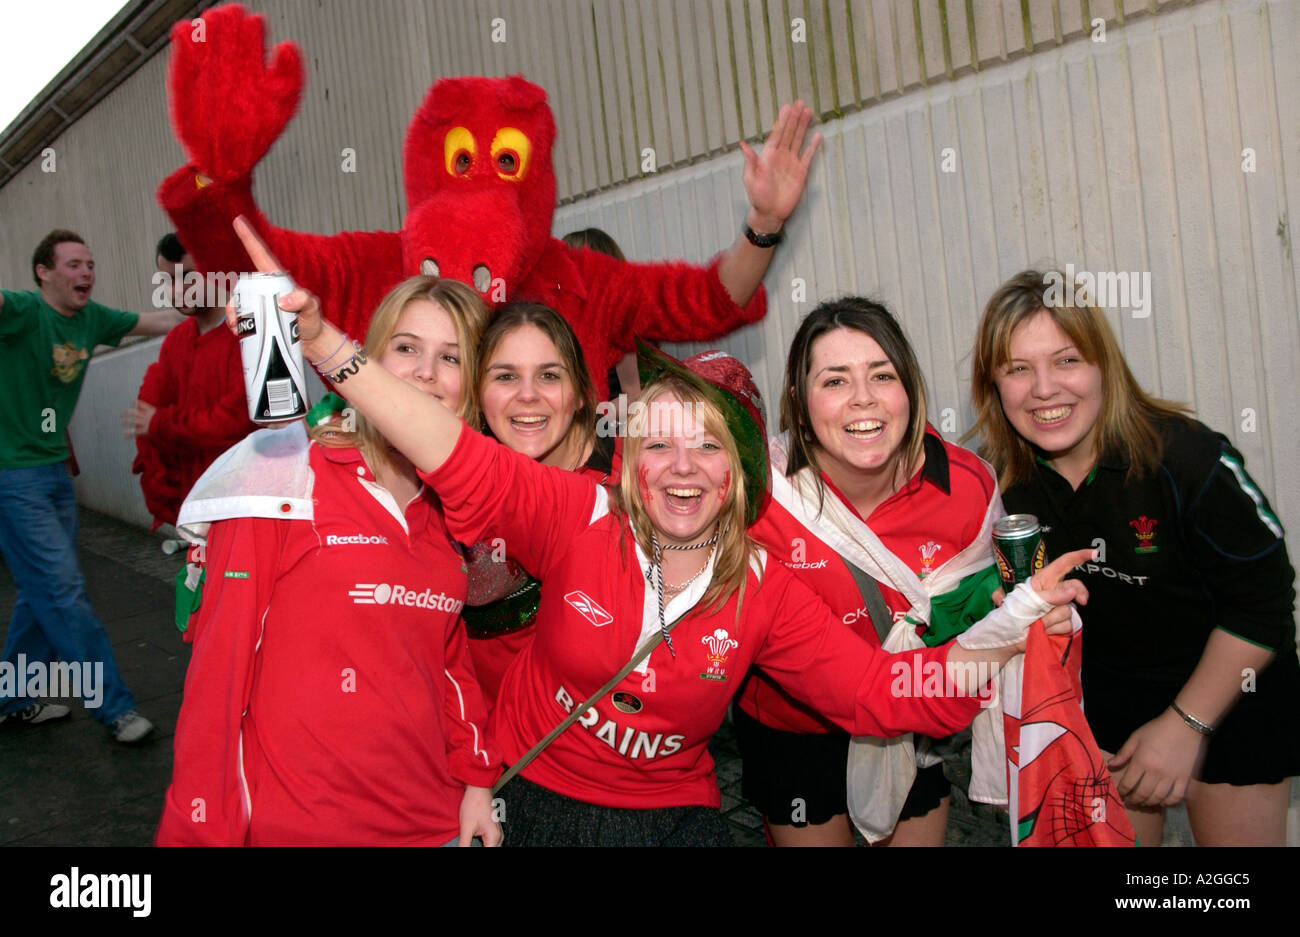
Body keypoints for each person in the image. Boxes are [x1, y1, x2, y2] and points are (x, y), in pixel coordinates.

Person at [239, 217, 1093, 845]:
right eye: (660, 445)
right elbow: (448, 447)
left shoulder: (764, 587)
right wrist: (326, 343)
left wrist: (1010, 627)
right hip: (528, 795)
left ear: (743, 475)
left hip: (670, 817)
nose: (683, 467)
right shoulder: (578, 513)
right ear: (628, 461)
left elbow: (880, 693)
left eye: (708, 446)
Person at [157, 274, 502, 845]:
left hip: (436, 825)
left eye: (452, 357)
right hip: (301, 828)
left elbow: (446, 662)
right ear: (365, 361)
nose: (425, 374)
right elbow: (217, 682)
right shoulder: (281, 476)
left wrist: (476, 783)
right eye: (406, 348)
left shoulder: (457, 509)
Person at [968, 269, 1300, 846]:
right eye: (1018, 369)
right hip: (1108, 712)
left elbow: (1266, 602)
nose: (1044, 389)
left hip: (1230, 698)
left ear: (1104, 366)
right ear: (993, 384)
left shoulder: (1187, 458)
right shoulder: (997, 485)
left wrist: (1184, 726)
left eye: (1066, 360)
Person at [735, 297, 1013, 846]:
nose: (863, 398)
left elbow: (990, 609)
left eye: (881, 375)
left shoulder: (969, 486)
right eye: (835, 381)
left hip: (909, 723)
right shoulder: (758, 490)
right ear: (799, 398)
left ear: (908, 386)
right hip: (793, 730)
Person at [0, 229, 183, 741]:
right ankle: (114, 707)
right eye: (74, 264)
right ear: (44, 272)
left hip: (55, 472)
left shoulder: (92, 318)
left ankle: (12, 698)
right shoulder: (20, 311)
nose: (86, 273)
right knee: (62, 591)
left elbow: (164, 321)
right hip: (12, 477)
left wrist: (226, 305)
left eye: (90, 264)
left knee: (41, 593)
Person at [461, 302, 617, 708]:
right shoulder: (453, 481)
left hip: (593, 744)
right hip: (481, 737)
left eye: (548, 376)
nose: (527, 395)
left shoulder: (628, 483)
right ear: (477, 395)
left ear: (582, 394)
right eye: (506, 376)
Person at [123, 233, 257, 530]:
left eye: (187, 276)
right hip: (198, 507)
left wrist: (162, 423)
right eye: (168, 280)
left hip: (252, 501)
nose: (178, 289)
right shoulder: (175, 341)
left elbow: (234, 422)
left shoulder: (250, 331)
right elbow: (146, 429)